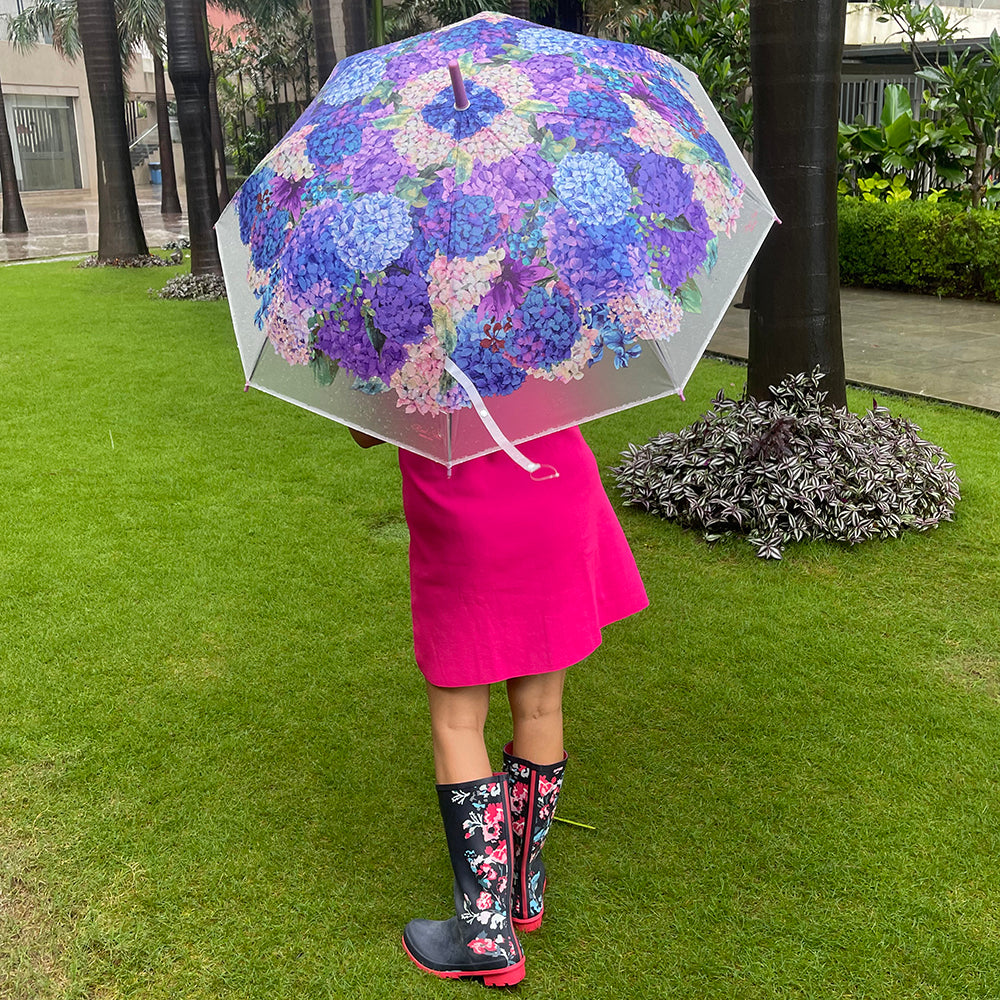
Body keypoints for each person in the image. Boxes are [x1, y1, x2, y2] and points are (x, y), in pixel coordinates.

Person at [350, 423, 648, 986]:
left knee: (457, 720)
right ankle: (520, 889)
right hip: (556, 488)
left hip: (465, 511)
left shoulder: (398, 328)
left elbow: (368, 430)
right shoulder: (543, 325)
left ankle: (484, 932)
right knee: (540, 708)